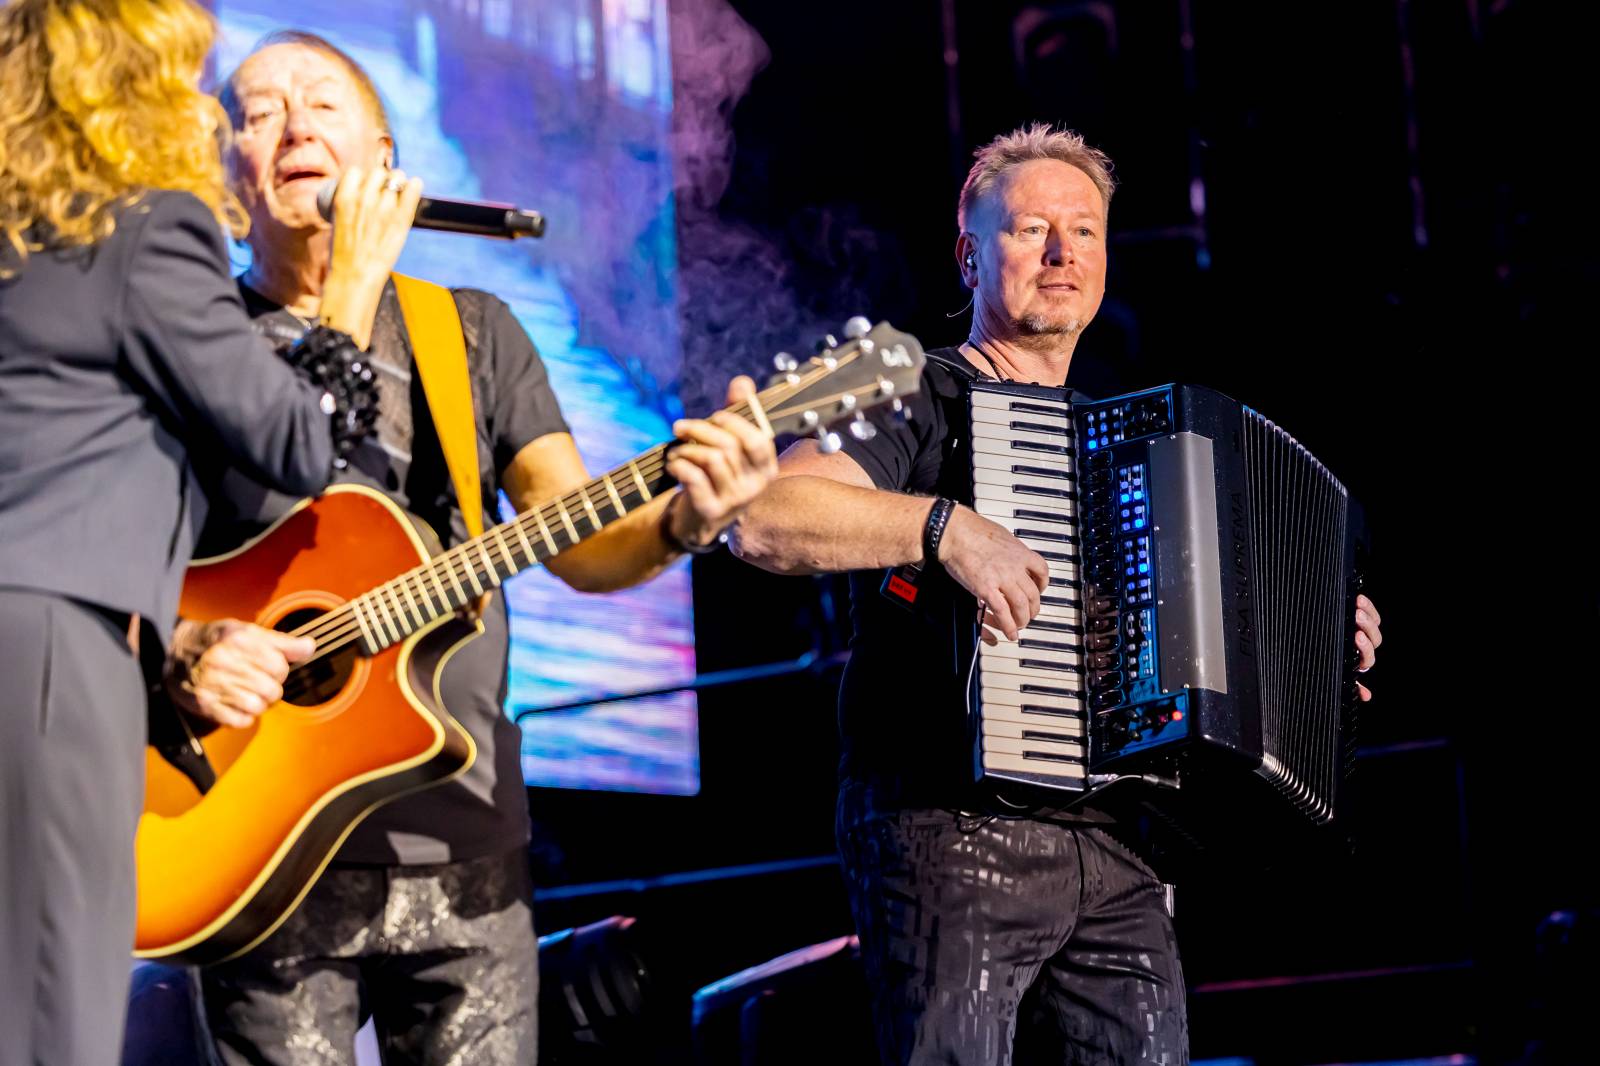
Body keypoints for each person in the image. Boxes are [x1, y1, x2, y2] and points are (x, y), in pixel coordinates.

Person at [177, 31, 778, 1066]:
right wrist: (348, 290)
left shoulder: (471, 331)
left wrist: (684, 522)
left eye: (323, 105)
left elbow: (577, 537)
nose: (296, 126)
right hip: (254, 830)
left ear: (385, 158)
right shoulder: (191, 338)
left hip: (458, 826)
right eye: (261, 112)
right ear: (227, 179)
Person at [732, 123, 1386, 1065]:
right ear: (970, 256)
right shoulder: (914, 392)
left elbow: (1200, 646)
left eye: (1083, 231)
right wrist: (946, 528)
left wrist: (1311, 644)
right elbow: (765, 518)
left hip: (1122, 850)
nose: (1060, 253)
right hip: (950, 830)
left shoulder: (1131, 442)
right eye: (1030, 228)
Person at [0, 2, 415, 1064]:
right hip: (49, 655)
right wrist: (354, 282)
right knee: (51, 1015)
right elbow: (300, 437)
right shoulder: (143, 225)